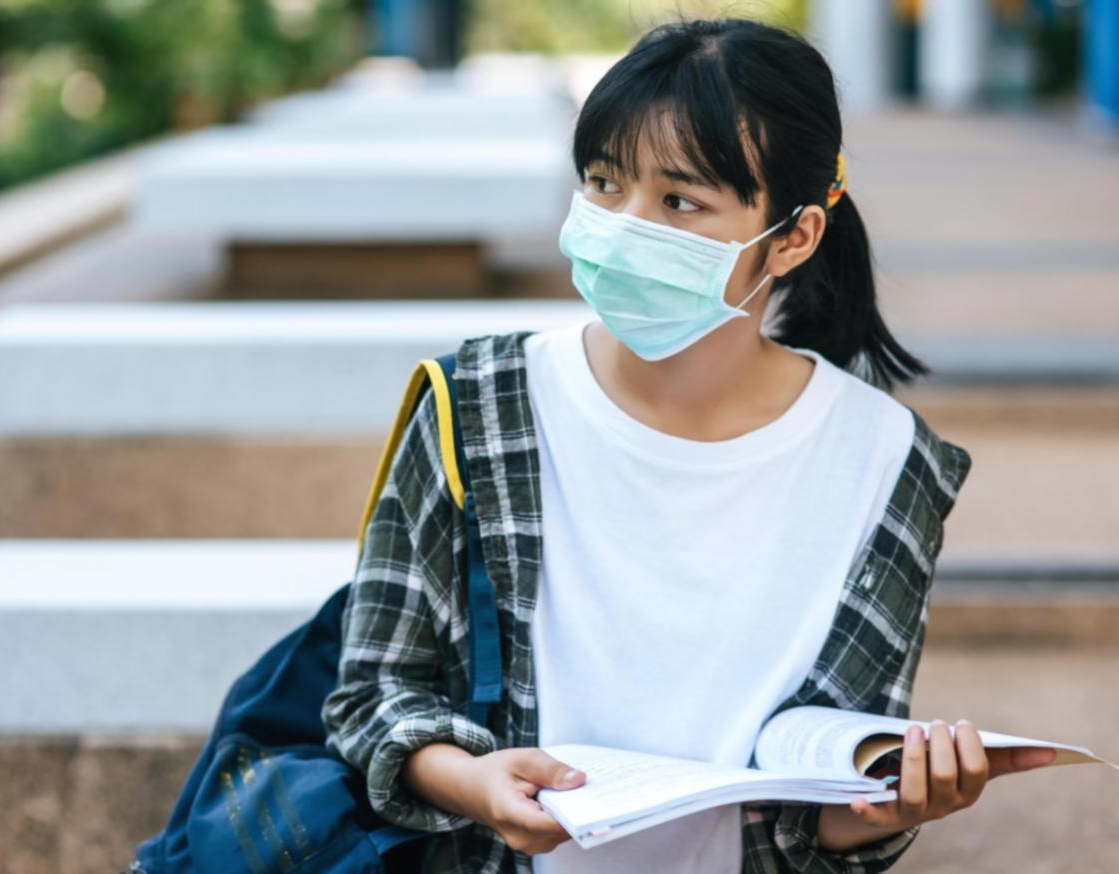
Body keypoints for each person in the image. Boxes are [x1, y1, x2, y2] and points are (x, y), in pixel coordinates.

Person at [321, 16, 1055, 874]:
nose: (624, 226)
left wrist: (889, 807)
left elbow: (817, 808)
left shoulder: (887, 464)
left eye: (680, 201)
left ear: (793, 237)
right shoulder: (474, 407)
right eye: (602, 182)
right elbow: (372, 692)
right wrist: (470, 782)